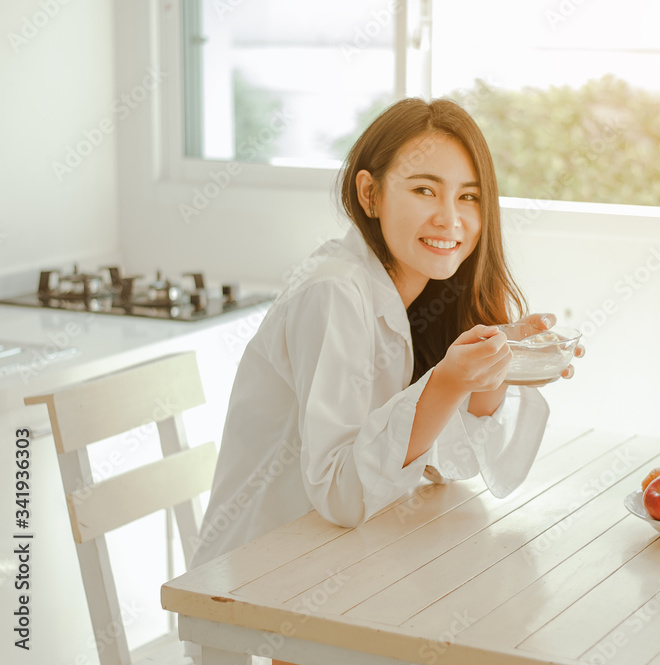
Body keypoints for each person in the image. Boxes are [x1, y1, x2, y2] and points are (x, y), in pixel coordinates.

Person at [188, 97, 583, 593]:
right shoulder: (333, 293)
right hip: (259, 586)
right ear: (370, 194)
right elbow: (341, 495)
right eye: (424, 190)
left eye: (469, 197)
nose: (450, 219)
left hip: (347, 565)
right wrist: (447, 382)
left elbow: (443, 467)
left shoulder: (426, 295)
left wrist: (494, 372)